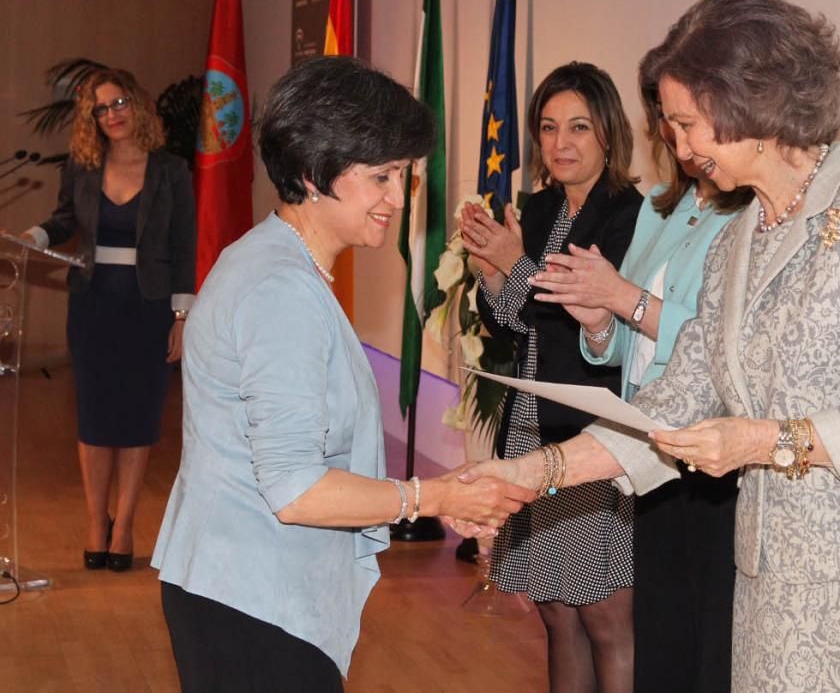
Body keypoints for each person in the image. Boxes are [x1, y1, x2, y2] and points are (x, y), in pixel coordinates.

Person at [461, 0, 840, 693]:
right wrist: (534, 473)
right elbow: (674, 396)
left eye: (686, 123)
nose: (676, 146)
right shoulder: (739, 239)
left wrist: (762, 442)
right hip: (773, 571)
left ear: (749, 107)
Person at [151, 56, 534, 692]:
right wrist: (431, 497)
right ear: (313, 169)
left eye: (402, 177)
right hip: (254, 602)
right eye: (380, 176)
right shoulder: (282, 288)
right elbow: (297, 489)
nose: (397, 198)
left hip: (239, 588)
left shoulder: (277, 261)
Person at [527, 48, 751, 693]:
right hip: (648, 445)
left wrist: (622, 298)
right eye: (670, 125)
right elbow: (625, 348)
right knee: (660, 634)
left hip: (715, 453)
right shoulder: (662, 208)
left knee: (707, 641)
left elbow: (727, 344)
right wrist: (597, 317)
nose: (678, 141)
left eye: (688, 124)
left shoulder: (750, 220)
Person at [459, 61, 643, 693]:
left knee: (606, 616)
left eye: (579, 128)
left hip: (592, 435)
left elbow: (586, 326)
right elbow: (517, 325)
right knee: (557, 612)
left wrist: (516, 264)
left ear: (609, 135)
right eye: (548, 127)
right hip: (531, 431)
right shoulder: (537, 209)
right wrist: (491, 272)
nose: (561, 143)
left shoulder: (630, 216)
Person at [20, 68, 195, 572]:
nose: (111, 115)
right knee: (96, 421)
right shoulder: (82, 166)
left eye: (117, 103)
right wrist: (33, 237)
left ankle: (126, 525)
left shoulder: (171, 171)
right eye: (100, 109)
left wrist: (181, 316)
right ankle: (96, 522)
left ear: (136, 105)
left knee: (138, 421)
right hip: (93, 305)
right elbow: (62, 221)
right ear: (91, 119)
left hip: (149, 309)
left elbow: (184, 248)